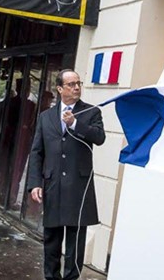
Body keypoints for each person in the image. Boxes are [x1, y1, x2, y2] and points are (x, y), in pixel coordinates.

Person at [28, 69, 105, 280]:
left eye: (78, 83)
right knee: (51, 239)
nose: (77, 87)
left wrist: (75, 124)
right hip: (53, 185)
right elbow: (37, 151)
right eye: (71, 84)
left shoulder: (91, 112)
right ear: (60, 88)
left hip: (78, 187)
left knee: (75, 242)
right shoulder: (46, 117)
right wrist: (35, 183)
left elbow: (99, 137)